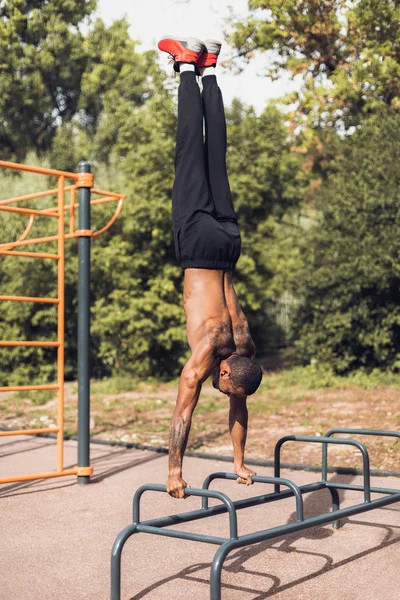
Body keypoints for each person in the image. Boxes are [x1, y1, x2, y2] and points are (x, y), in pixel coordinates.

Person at [158, 36, 263, 499]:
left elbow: (240, 408)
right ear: (226, 375)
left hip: (228, 244)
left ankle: (211, 66)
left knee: (215, 155)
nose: (224, 392)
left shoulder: (245, 345)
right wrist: (174, 470)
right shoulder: (210, 355)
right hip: (198, 246)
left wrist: (239, 461)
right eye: (224, 387)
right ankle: (185, 66)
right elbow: (184, 412)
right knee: (190, 152)